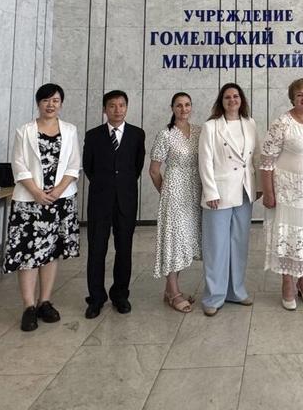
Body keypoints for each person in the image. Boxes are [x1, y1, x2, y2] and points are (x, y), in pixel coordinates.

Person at [3, 83, 81, 331]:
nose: (50, 105)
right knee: (28, 254)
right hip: (29, 202)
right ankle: (28, 306)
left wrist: (57, 191)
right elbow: (18, 165)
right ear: (38, 103)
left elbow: (74, 165)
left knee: (51, 252)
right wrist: (37, 192)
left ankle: (44, 301)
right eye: (46, 100)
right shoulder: (24, 130)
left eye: (55, 100)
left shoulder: (70, 130)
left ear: (61, 103)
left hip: (60, 199)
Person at [261, 78, 303, 310]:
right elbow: (267, 161)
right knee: (290, 236)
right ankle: (287, 282)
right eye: (300, 95)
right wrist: (268, 193)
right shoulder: (282, 122)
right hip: (287, 192)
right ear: (292, 98)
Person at [82, 89, 146, 318]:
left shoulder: (137, 134)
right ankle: (96, 298)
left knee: (124, 249)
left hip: (126, 200)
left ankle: (120, 295)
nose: (117, 110)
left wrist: (121, 185)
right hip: (100, 200)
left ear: (126, 108)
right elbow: (88, 167)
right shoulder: (93, 135)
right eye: (112, 105)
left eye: (121, 105)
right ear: (104, 109)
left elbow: (137, 166)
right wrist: (106, 184)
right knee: (96, 250)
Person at [198, 82, 257, 316]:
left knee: (239, 244)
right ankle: (213, 296)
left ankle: (236, 291)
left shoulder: (250, 123)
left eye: (236, 96)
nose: (232, 100)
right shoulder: (211, 126)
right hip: (219, 192)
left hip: (244, 190)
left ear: (241, 100)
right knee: (216, 246)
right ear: (221, 102)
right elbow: (205, 161)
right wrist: (210, 192)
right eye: (227, 97)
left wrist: (258, 187)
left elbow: (256, 156)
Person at [149, 92, 202, 313]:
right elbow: (154, 170)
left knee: (184, 240)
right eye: (179, 105)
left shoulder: (199, 131)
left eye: (187, 105)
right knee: (173, 240)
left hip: (194, 191)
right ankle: (174, 292)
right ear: (172, 108)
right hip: (174, 192)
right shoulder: (166, 134)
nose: (183, 109)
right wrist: (166, 193)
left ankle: (169, 290)